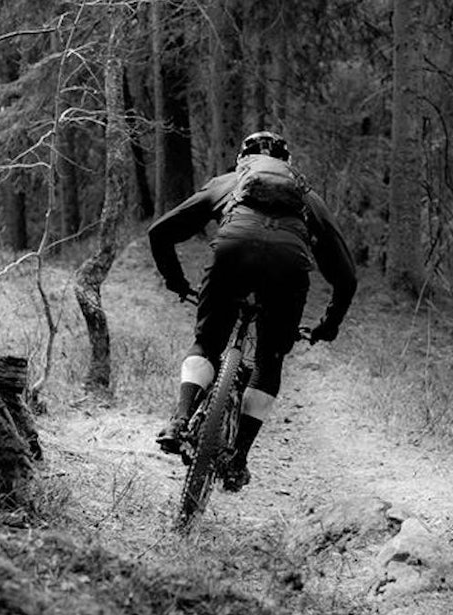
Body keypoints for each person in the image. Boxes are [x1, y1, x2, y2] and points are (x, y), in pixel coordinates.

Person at [147, 130, 357, 491]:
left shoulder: (228, 182)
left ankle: (180, 421)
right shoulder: (307, 196)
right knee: (269, 361)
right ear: (288, 164)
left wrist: (177, 282)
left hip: (234, 250)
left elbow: (159, 232)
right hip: (288, 265)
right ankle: (238, 459)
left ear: (242, 159)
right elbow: (346, 278)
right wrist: (328, 325)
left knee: (207, 343)